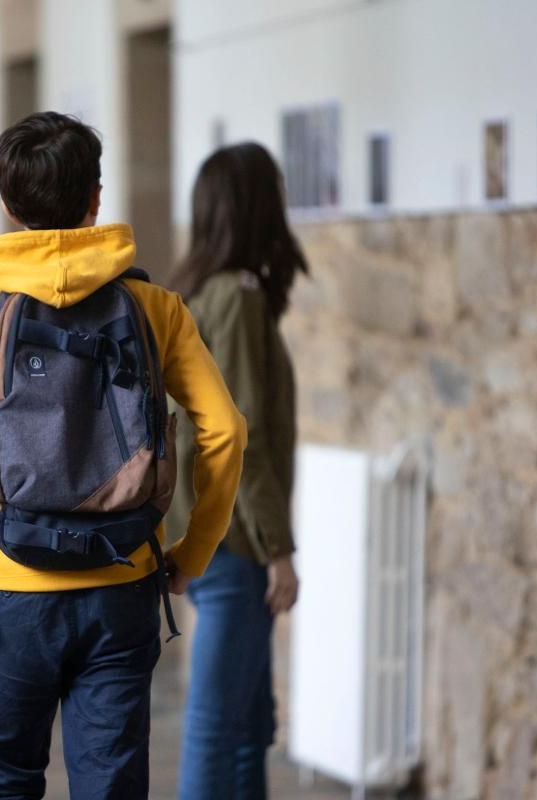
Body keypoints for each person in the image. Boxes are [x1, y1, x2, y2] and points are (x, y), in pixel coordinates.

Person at [0, 112, 247, 798]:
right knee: (111, 786)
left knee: (5, 780)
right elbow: (227, 431)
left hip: (14, 589)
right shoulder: (156, 309)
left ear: (8, 206)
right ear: (96, 198)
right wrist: (193, 551)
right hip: (122, 585)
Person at [169, 143, 305, 800]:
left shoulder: (198, 291)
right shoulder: (239, 296)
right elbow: (241, 435)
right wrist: (278, 549)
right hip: (236, 543)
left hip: (211, 538)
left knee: (250, 727)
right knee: (221, 730)